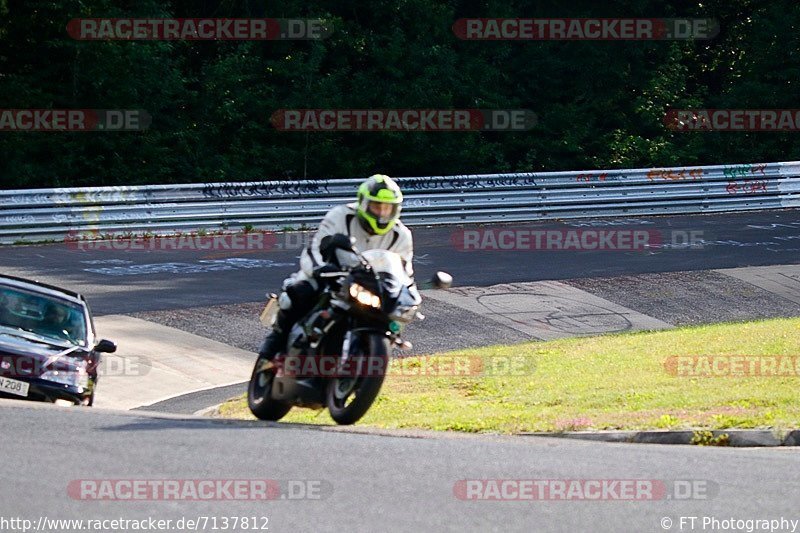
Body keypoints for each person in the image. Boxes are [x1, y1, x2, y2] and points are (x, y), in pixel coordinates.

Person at [257, 174, 414, 361]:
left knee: (390, 318)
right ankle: (272, 347)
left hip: (370, 286)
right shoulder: (341, 216)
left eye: (387, 208)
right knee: (298, 293)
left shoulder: (401, 235)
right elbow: (315, 247)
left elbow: (405, 273)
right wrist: (318, 269)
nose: (382, 213)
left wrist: (409, 294)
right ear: (364, 203)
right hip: (332, 273)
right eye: (376, 206)